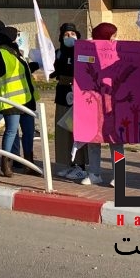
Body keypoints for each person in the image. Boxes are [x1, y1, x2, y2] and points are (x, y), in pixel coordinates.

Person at [0, 27, 34, 177]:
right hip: (11, 99)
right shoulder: (2, 53)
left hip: (26, 99)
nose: (18, 38)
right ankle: (6, 165)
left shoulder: (17, 52)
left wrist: (37, 65)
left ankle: (29, 164)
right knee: (11, 130)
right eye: (17, 35)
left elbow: (21, 72)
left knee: (29, 132)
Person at [82, 22, 127, 187]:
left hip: (112, 104)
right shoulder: (89, 51)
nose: (115, 39)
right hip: (94, 102)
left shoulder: (119, 53)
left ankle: (119, 176)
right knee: (93, 138)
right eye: (113, 36)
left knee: (115, 140)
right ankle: (94, 173)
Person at [51, 22, 88, 181]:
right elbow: (53, 70)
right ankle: (68, 163)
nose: (69, 37)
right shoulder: (58, 53)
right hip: (62, 93)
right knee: (62, 130)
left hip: (78, 94)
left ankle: (80, 165)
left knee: (77, 130)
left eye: (72, 34)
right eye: (66, 35)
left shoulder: (83, 51)